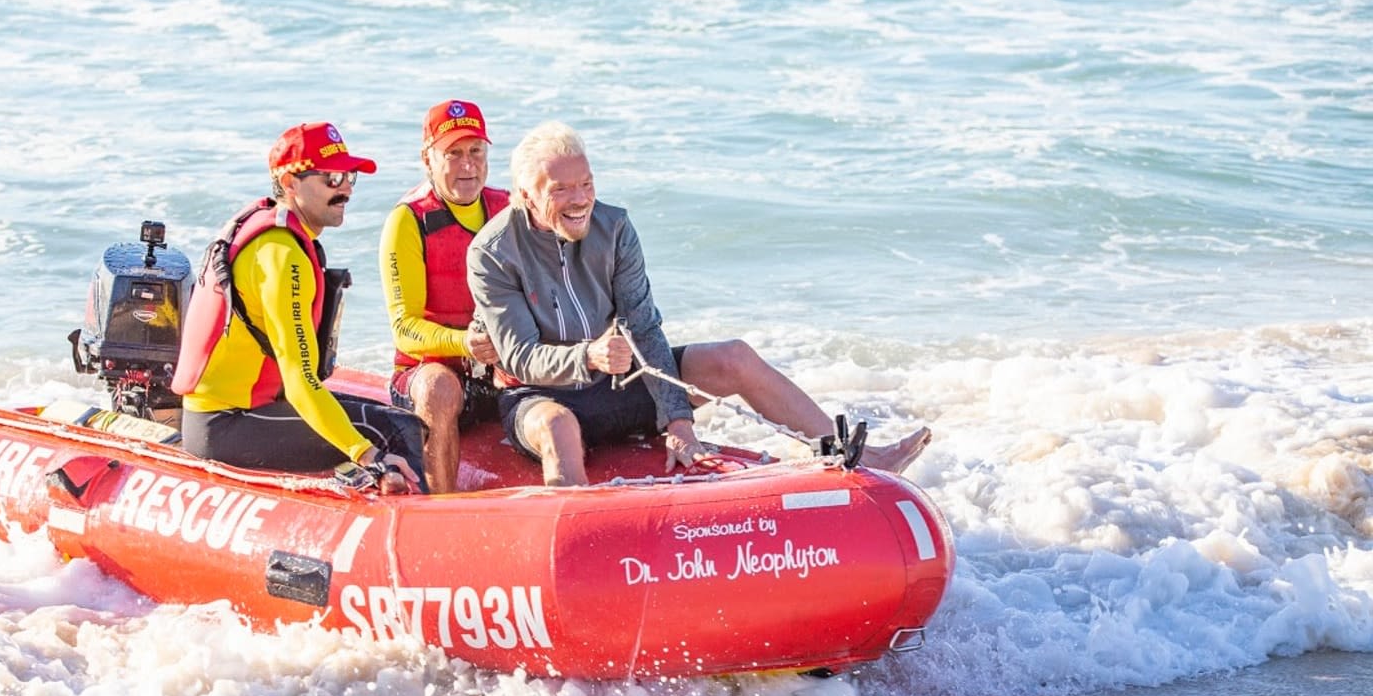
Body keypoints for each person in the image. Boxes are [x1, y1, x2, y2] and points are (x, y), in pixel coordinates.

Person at [467, 120, 931, 486]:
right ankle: (577, 539)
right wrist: (586, 356)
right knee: (557, 430)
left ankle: (858, 455)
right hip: (540, 397)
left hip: (619, 386)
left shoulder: (615, 228)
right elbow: (521, 357)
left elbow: (644, 327)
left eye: (586, 184)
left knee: (733, 357)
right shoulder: (493, 252)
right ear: (526, 196)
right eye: (561, 190)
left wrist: (678, 418)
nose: (580, 200)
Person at [173, 121, 426, 493]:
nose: (345, 190)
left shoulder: (273, 229)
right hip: (227, 424)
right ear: (290, 183)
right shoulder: (282, 255)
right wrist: (365, 454)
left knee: (387, 421)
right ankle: (415, 529)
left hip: (234, 413)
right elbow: (300, 381)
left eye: (349, 177)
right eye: (332, 178)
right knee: (395, 429)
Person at [378, 100, 511, 493]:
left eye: (475, 152)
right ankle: (440, 504)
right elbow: (404, 329)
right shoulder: (408, 220)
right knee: (440, 387)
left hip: (497, 371)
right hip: (426, 376)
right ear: (428, 159)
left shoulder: (508, 209)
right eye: (452, 153)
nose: (467, 164)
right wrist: (464, 344)